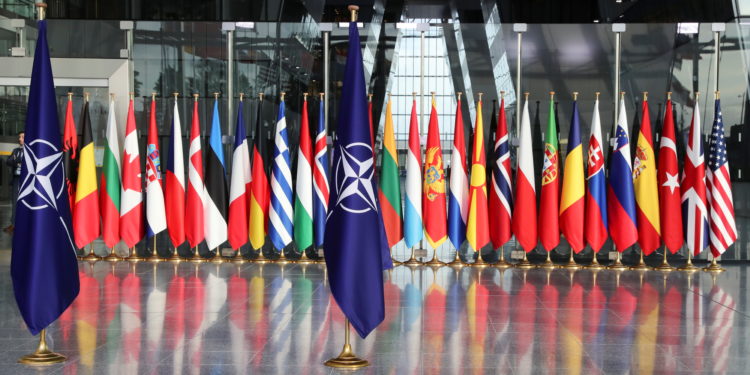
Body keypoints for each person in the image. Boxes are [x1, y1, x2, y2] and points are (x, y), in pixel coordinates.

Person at [5, 131, 24, 233]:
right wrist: (17, 161)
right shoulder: (15, 150)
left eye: (22, 137)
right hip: (16, 179)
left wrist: (17, 161)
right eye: (19, 137)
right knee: (15, 201)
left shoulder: (31, 151)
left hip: (26, 180)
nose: (19, 139)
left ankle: (26, 224)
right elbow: (8, 161)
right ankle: (14, 224)